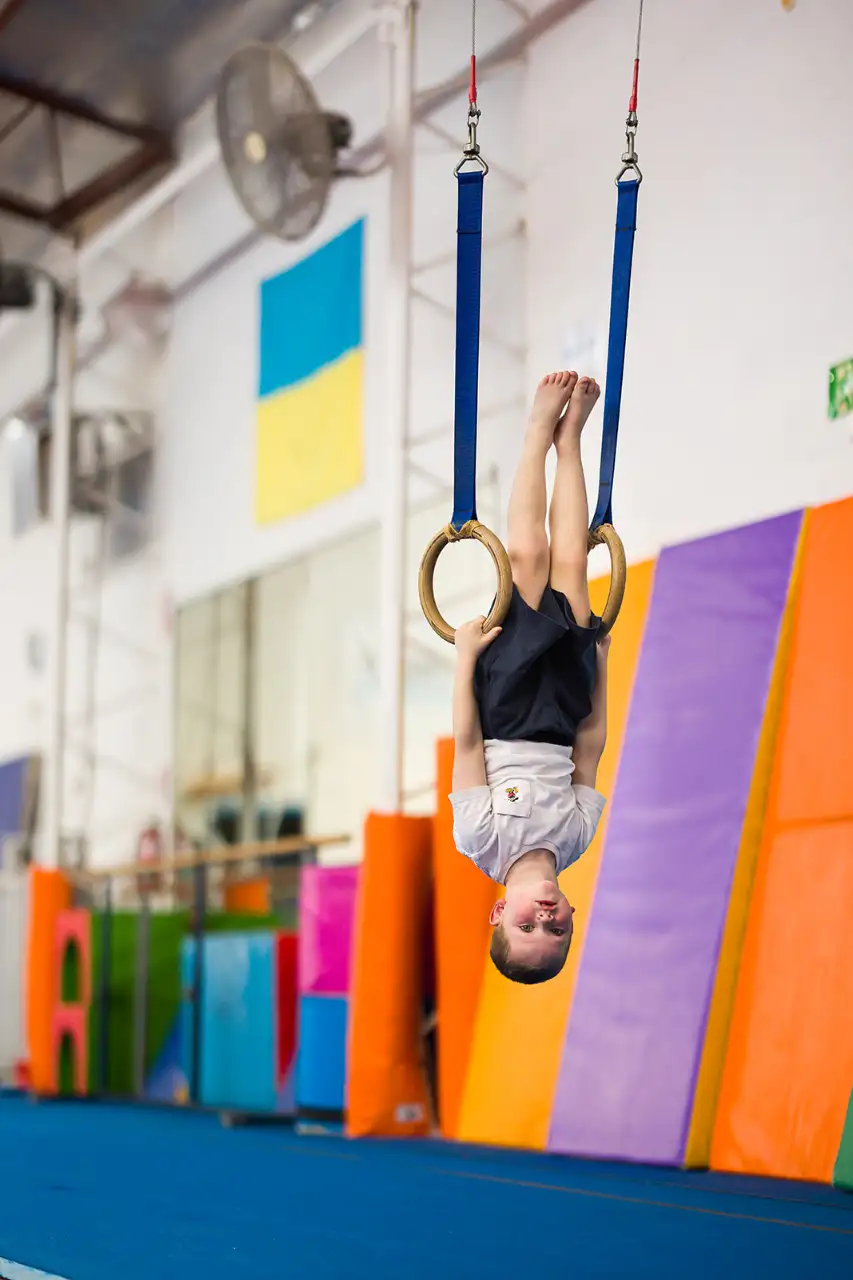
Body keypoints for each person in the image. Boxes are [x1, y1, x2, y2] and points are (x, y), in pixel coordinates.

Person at [449, 371, 610, 985]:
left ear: (499, 910)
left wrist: (466, 659)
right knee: (571, 558)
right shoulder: (576, 837)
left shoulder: (481, 837)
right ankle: (571, 440)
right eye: (557, 927)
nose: (543, 918)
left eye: (525, 926)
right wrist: (600, 661)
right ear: (572, 912)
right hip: (565, 706)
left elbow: (467, 744)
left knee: (529, 559)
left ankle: (538, 432)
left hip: (509, 706)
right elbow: (591, 743)